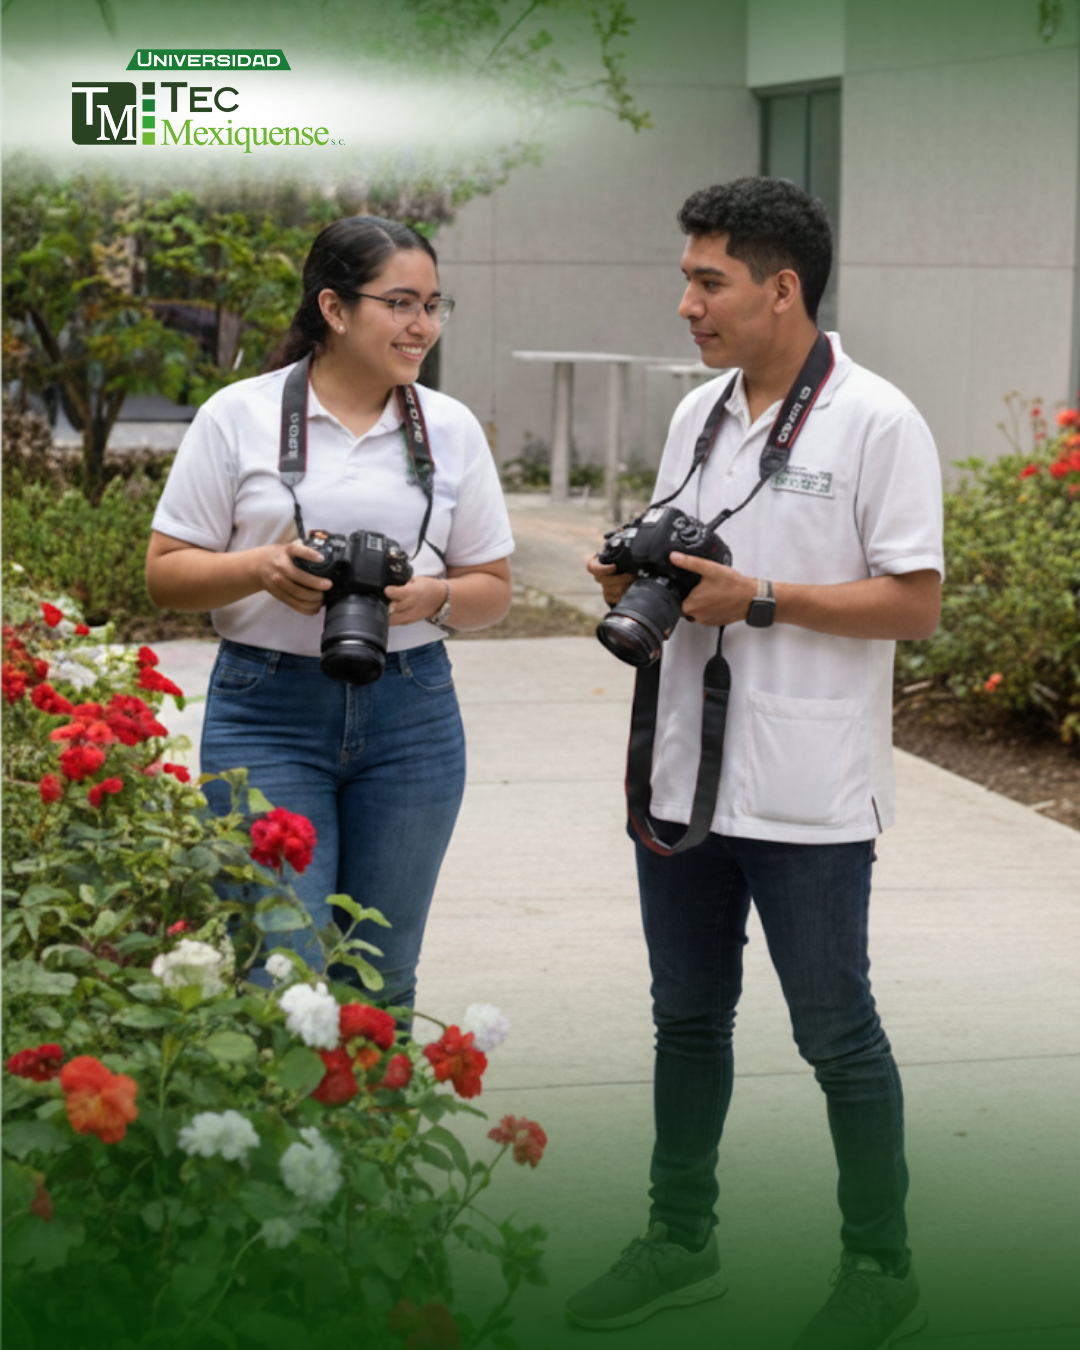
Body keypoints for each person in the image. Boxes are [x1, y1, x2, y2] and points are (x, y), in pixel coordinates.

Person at [566, 177, 944, 1350]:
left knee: (837, 1036)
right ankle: (680, 1240)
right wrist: (633, 575)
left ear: (782, 289)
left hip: (806, 789)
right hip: (685, 771)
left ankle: (880, 1266)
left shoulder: (878, 418)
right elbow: (687, 561)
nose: (687, 304)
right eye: (686, 280)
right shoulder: (699, 414)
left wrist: (765, 597)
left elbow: (916, 603)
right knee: (686, 1020)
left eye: (708, 281)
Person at [145, 216, 513, 1005]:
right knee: (281, 969)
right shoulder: (237, 416)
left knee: (381, 974)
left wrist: (435, 597)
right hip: (266, 710)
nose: (423, 326)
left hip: (412, 714)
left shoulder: (450, 429)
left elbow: (493, 587)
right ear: (335, 308)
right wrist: (261, 567)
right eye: (401, 303)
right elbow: (165, 575)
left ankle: (375, 1095)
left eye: (435, 306)